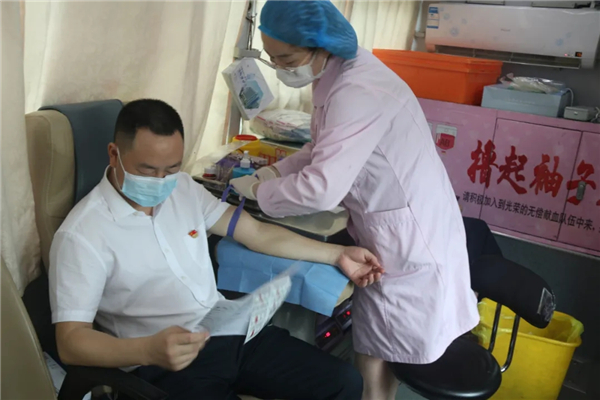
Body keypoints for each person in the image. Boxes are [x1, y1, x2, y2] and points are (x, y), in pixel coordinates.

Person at [49, 99, 385, 400]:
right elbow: (71, 341)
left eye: (171, 168)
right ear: (114, 154)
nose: (161, 181)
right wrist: (147, 350)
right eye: (148, 170)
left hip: (229, 331)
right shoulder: (82, 235)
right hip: (165, 363)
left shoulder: (182, 189)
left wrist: (337, 254)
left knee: (342, 382)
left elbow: (256, 233)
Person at [229, 1, 480, 399]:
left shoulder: (356, 90)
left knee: (383, 357)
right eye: (271, 58)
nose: (279, 69)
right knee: (379, 351)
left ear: (322, 45)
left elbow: (322, 188)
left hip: (410, 240)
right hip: (400, 226)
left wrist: (261, 191)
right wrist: (276, 172)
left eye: (286, 60)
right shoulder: (336, 73)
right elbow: (324, 146)